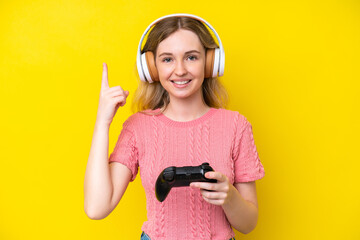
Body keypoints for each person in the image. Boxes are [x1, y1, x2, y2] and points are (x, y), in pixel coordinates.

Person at [84, 14, 265, 240]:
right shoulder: (138, 127)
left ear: (210, 62)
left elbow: (249, 224)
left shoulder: (236, 126)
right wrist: (102, 122)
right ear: (151, 68)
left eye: (191, 57)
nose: (179, 70)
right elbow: (96, 207)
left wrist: (229, 197)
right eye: (167, 59)